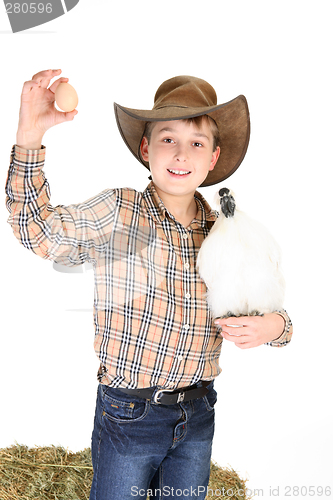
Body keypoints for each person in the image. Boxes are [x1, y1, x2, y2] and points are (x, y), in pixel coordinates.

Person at [5, 70, 293, 500]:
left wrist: (274, 327)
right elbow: (38, 231)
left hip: (198, 413)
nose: (181, 154)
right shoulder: (120, 211)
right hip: (128, 413)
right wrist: (30, 137)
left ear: (213, 158)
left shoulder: (226, 234)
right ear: (146, 148)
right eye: (167, 139)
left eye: (196, 143)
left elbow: (273, 310)